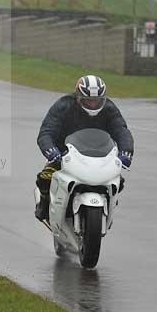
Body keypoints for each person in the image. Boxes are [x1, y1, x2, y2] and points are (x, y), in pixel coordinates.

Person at [34, 75, 134, 222]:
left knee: (119, 181)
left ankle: (109, 204)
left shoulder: (110, 109)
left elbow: (121, 130)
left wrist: (126, 152)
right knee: (45, 177)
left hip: (101, 155)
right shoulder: (63, 106)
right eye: (89, 100)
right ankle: (44, 203)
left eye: (97, 101)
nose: (93, 104)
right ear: (78, 97)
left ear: (103, 99)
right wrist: (51, 151)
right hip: (65, 154)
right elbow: (47, 131)